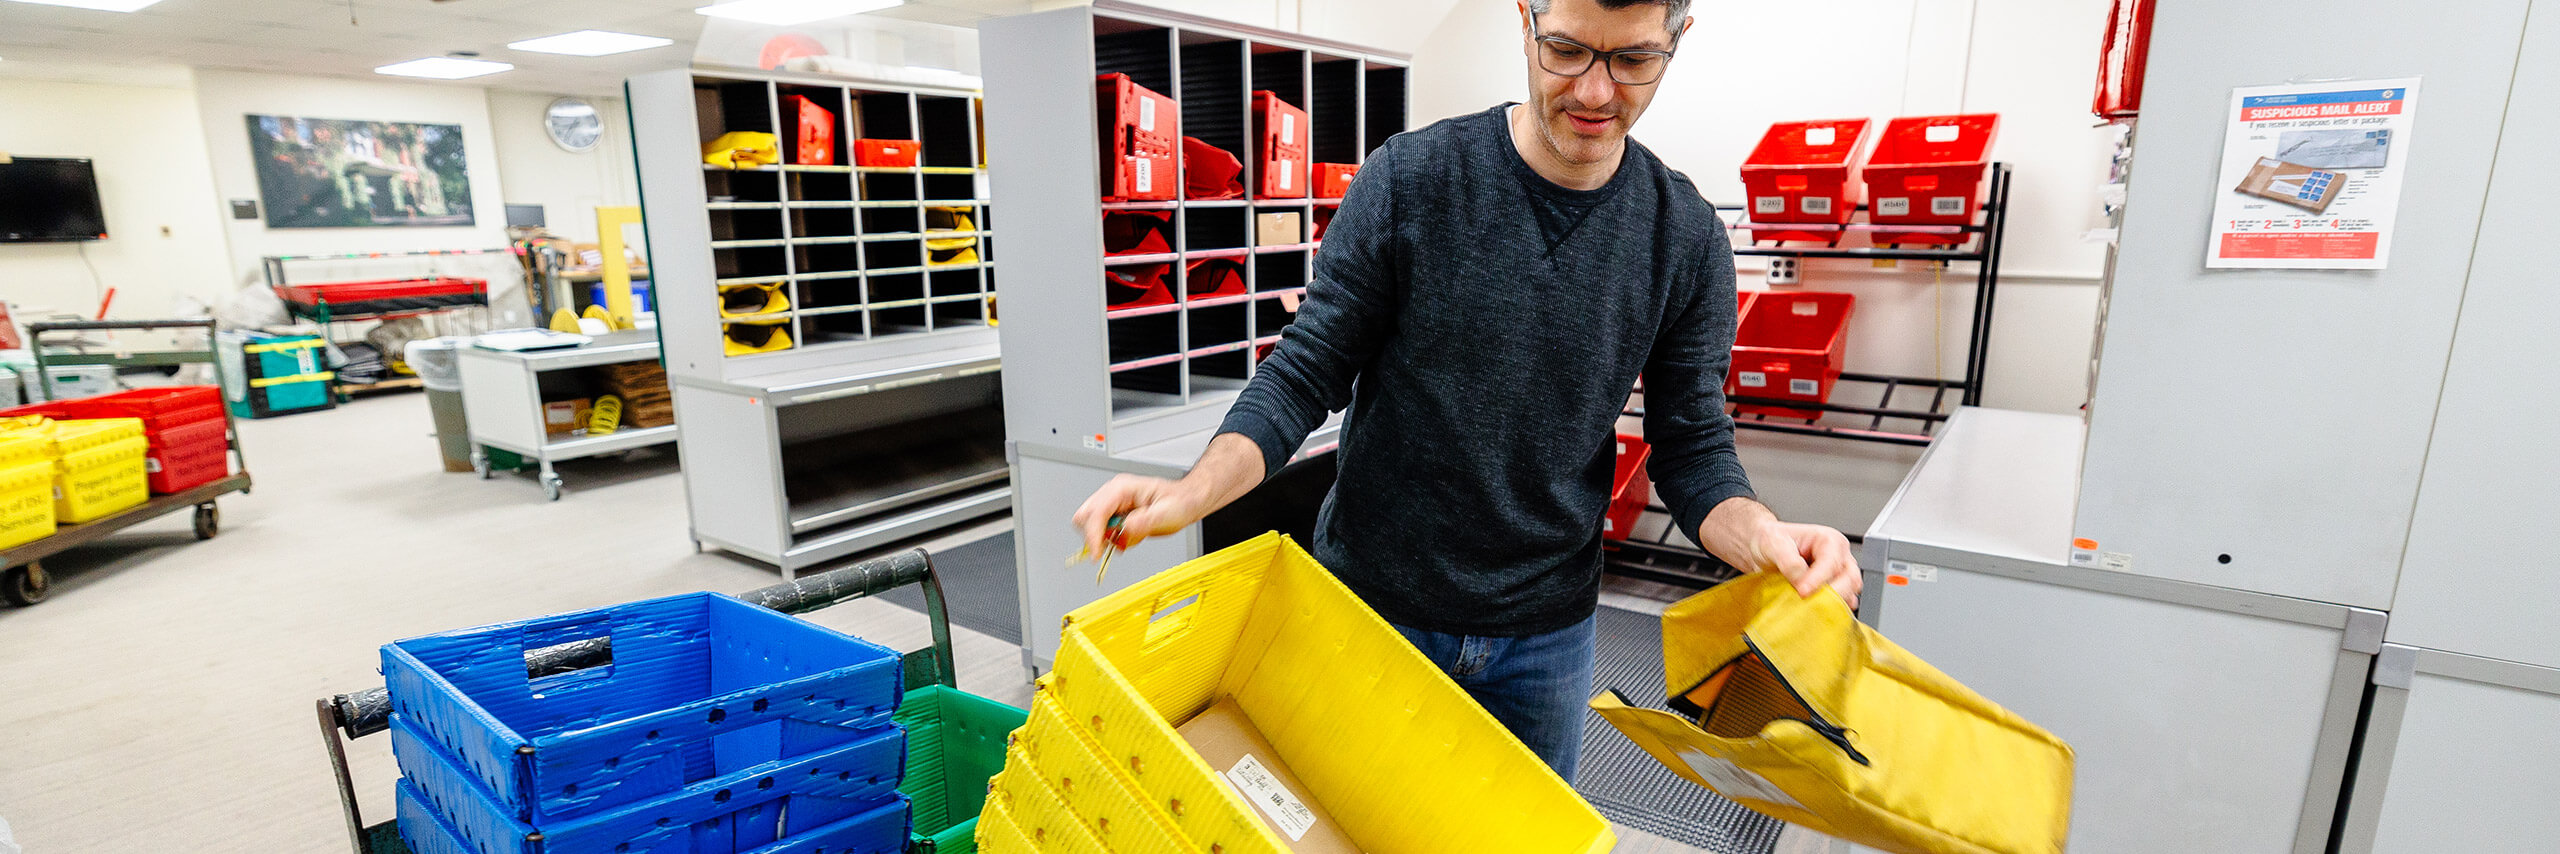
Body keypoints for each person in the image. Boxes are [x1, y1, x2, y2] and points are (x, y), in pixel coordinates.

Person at [1071, 0, 1862, 782]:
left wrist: (1766, 540)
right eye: (1566, 50)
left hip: (1546, 637)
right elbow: (1306, 370)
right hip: (1371, 608)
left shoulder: (1683, 235)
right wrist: (1192, 494)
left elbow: (1691, 446)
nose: (1593, 92)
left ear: (1677, 41)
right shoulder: (1411, 179)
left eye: (1632, 60)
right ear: (1525, 20)